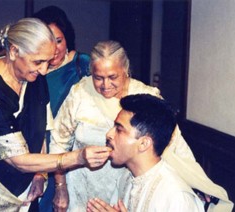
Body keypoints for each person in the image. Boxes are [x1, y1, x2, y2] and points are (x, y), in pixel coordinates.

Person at [50, 40, 233, 212]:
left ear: (126, 70)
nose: (105, 85)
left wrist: (197, 181)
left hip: (134, 186)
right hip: (83, 187)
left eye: (112, 77)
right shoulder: (80, 93)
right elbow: (59, 142)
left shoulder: (145, 97)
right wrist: (60, 187)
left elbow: (173, 142)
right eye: (98, 78)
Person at [0, 18, 111, 212]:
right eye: (38, 61)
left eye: (48, 61)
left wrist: (40, 174)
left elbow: (41, 128)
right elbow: (17, 159)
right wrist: (78, 157)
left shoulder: (34, 75)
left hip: (26, 190)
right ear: (13, 51)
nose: (45, 69)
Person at [87, 94, 204, 212]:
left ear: (144, 144)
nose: (109, 134)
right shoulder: (127, 176)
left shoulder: (176, 197)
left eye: (119, 129)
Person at [32, 6, 90, 211]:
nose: (54, 48)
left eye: (59, 40)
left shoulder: (82, 65)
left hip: (73, 159)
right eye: (47, 41)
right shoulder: (33, 72)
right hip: (39, 157)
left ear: (68, 38)